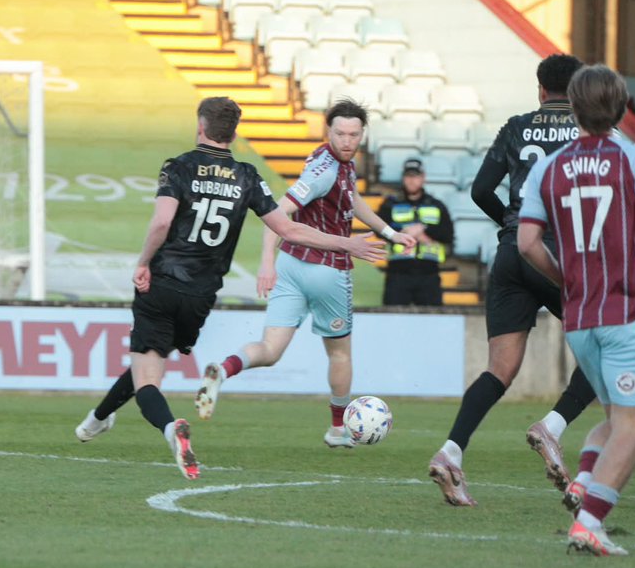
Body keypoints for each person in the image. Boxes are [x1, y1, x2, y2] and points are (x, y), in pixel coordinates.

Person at [74, 97, 386, 479]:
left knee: (147, 378)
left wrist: (142, 263)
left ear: (200, 128)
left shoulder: (179, 167)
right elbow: (288, 229)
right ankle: (97, 419)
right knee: (149, 354)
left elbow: (160, 224)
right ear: (235, 133)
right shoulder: (248, 176)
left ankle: (172, 430)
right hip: (201, 296)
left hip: (163, 280)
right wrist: (346, 242)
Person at [192, 100, 416, 446]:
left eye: (353, 134)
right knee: (340, 353)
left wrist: (390, 233)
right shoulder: (324, 172)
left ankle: (223, 369)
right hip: (326, 271)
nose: (346, 140)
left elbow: (353, 199)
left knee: (270, 349)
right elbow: (278, 212)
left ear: (362, 135)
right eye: (340, 133)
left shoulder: (332, 161)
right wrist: (266, 260)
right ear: (328, 131)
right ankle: (338, 429)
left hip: (292, 266)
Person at [428, 54, 597, 506]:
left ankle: (451, 452)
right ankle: (553, 426)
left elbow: (481, 188)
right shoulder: (590, 128)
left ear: (540, 89)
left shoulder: (516, 127)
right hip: (560, 254)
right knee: (607, 347)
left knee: (499, 370)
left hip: (511, 253)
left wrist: (511, 223)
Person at [517, 64, 635, 556]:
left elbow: (527, 241)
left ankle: (582, 487)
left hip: (578, 316)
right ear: (622, 109)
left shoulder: (548, 167)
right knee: (634, 426)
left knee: (617, 416)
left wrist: (566, 279)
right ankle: (590, 523)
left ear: (572, 108)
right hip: (626, 312)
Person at [375, 158, 454, 306]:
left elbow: (448, 234)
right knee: (392, 321)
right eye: (408, 176)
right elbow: (380, 230)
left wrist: (423, 229)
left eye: (415, 176)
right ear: (403, 178)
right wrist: (403, 233)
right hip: (398, 272)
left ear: (423, 178)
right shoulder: (390, 204)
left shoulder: (437, 205)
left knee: (432, 321)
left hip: (429, 273)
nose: (411, 181)